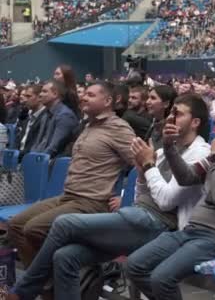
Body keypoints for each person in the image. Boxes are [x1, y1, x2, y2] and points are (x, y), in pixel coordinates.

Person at [5, 94, 210, 300]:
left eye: (178, 114)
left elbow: (166, 202)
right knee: (64, 256)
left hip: (159, 225)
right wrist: (141, 172)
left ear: (195, 122)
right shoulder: (167, 148)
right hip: (138, 216)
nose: (171, 118)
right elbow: (143, 195)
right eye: (172, 112)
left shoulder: (199, 152)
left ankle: (22, 293)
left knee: (63, 224)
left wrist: (148, 165)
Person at [126, 99, 215, 300]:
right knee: (134, 265)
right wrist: (169, 147)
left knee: (161, 278)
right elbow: (186, 177)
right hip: (191, 231)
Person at [8, 82, 135, 267]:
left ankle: (45, 282)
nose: (84, 97)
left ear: (108, 101)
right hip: (69, 196)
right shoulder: (89, 125)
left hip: (92, 202)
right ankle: (46, 284)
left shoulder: (119, 129)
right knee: (16, 226)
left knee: (33, 229)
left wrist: (126, 196)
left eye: (91, 95)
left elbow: (144, 163)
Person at [30, 80, 79, 158]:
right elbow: (38, 143)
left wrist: (37, 161)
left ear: (55, 94)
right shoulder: (46, 114)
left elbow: (53, 148)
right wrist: (31, 156)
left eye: (44, 91)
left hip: (53, 162)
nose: (40, 94)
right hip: (40, 158)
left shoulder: (65, 115)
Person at [16, 84, 45, 157]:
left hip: (30, 158)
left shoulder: (45, 118)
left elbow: (35, 145)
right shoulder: (27, 117)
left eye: (28, 96)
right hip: (19, 156)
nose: (25, 100)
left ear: (39, 98)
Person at [144, 85, 177, 150]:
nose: (147, 102)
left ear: (166, 104)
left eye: (153, 98)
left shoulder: (172, 129)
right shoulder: (155, 122)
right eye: (148, 98)